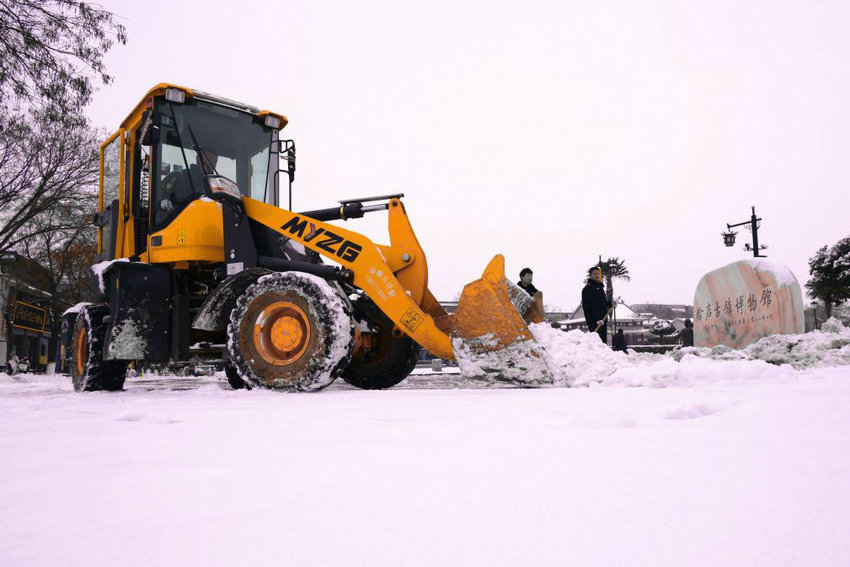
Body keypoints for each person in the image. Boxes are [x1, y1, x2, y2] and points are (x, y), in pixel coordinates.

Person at [159, 149, 219, 217]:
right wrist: (164, 199)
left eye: (215, 161)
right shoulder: (179, 176)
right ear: (198, 159)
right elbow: (159, 194)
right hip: (177, 220)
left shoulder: (215, 185)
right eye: (209, 159)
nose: (212, 163)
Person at [582, 266, 613, 343]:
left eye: (598, 274)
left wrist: (610, 303)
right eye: (594, 274)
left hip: (603, 319)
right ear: (590, 275)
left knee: (603, 343)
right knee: (596, 343)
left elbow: (602, 303)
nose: (596, 275)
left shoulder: (600, 287)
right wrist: (597, 319)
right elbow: (590, 305)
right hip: (594, 321)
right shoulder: (587, 289)